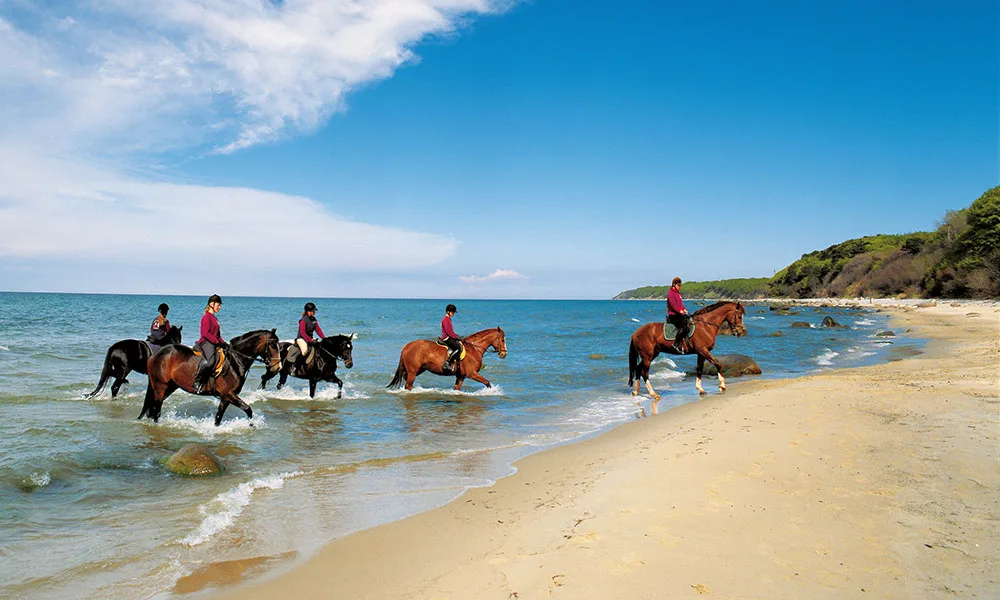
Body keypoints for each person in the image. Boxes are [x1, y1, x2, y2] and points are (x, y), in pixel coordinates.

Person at [193, 295, 226, 393]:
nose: (219, 307)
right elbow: (205, 333)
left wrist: (224, 343)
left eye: (220, 305)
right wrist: (216, 342)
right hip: (206, 342)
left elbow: (218, 335)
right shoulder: (207, 317)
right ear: (212, 304)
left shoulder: (215, 318)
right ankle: (198, 381)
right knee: (211, 361)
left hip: (213, 342)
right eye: (218, 305)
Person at [294, 301, 325, 372]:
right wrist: (310, 340)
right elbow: (303, 333)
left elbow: (318, 330)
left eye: (314, 311)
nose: (314, 312)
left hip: (309, 338)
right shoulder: (303, 320)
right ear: (308, 311)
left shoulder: (314, 319)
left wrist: (324, 338)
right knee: (304, 351)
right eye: (313, 311)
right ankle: (296, 367)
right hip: (301, 339)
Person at [666, 277, 691, 349]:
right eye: (678, 285)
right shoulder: (671, 294)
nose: (680, 287)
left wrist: (685, 310)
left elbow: (680, 305)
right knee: (683, 327)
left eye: (680, 285)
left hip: (679, 314)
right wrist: (681, 311)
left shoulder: (678, 294)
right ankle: (676, 344)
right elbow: (674, 305)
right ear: (674, 285)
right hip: (673, 315)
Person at [440, 303, 464, 373]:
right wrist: (457, 337)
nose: (453, 314)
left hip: (449, 336)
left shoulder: (449, 319)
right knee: (458, 348)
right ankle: (447, 363)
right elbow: (449, 332)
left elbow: (451, 332)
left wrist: (458, 336)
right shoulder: (445, 320)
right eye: (452, 312)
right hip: (446, 338)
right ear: (448, 312)